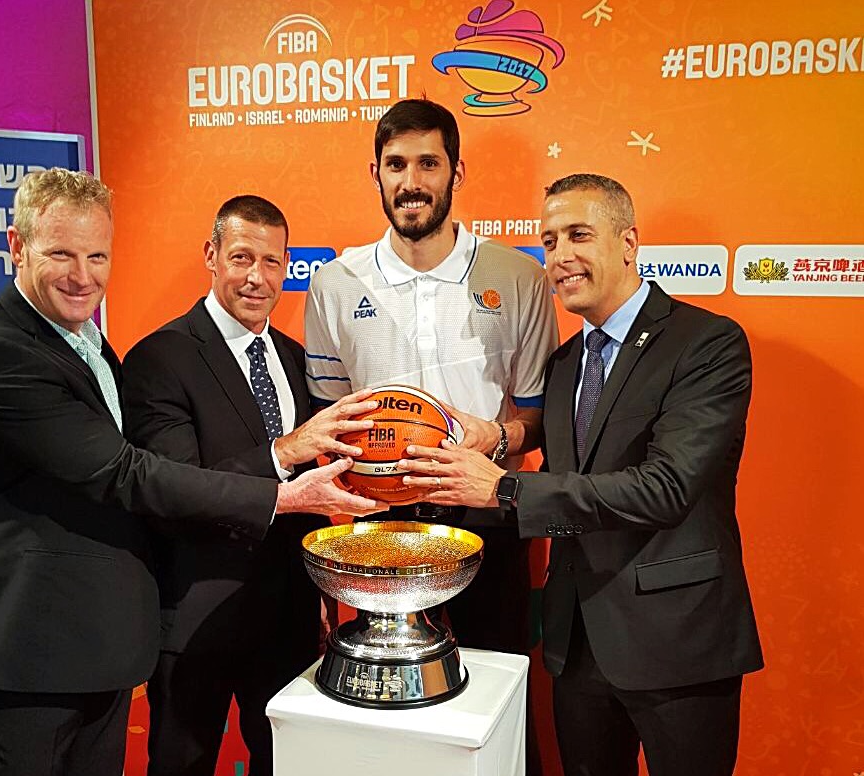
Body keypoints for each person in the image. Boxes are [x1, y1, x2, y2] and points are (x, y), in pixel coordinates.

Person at [0, 169, 382, 776]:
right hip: (41, 647)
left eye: (97, 255)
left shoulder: (90, 344)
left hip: (124, 640)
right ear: (17, 247)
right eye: (61, 253)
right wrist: (282, 476)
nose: (83, 274)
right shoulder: (7, 355)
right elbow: (133, 475)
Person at [398, 173, 764, 776]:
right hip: (579, 645)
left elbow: (666, 488)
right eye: (548, 241)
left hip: (678, 642)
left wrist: (504, 488)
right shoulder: (565, 362)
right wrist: (497, 441)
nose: (560, 256)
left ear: (628, 242)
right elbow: (573, 478)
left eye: (578, 235)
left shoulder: (706, 343)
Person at [304, 98, 556, 775]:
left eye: (427, 163)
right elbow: (327, 424)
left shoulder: (521, 278)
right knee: (384, 721)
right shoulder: (333, 283)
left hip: (484, 517)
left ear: (456, 172)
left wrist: (494, 435)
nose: (411, 181)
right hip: (376, 525)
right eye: (395, 165)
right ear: (376, 174)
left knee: (497, 700)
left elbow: (536, 418)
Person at [122, 195, 374, 776]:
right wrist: (284, 451)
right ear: (211, 256)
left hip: (287, 622)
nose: (258, 278)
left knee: (286, 764)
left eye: (272, 262)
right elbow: (175, 492)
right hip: (196, 622)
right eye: (241, 258)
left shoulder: (293, 357)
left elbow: (315, 486)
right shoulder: (160, 358)